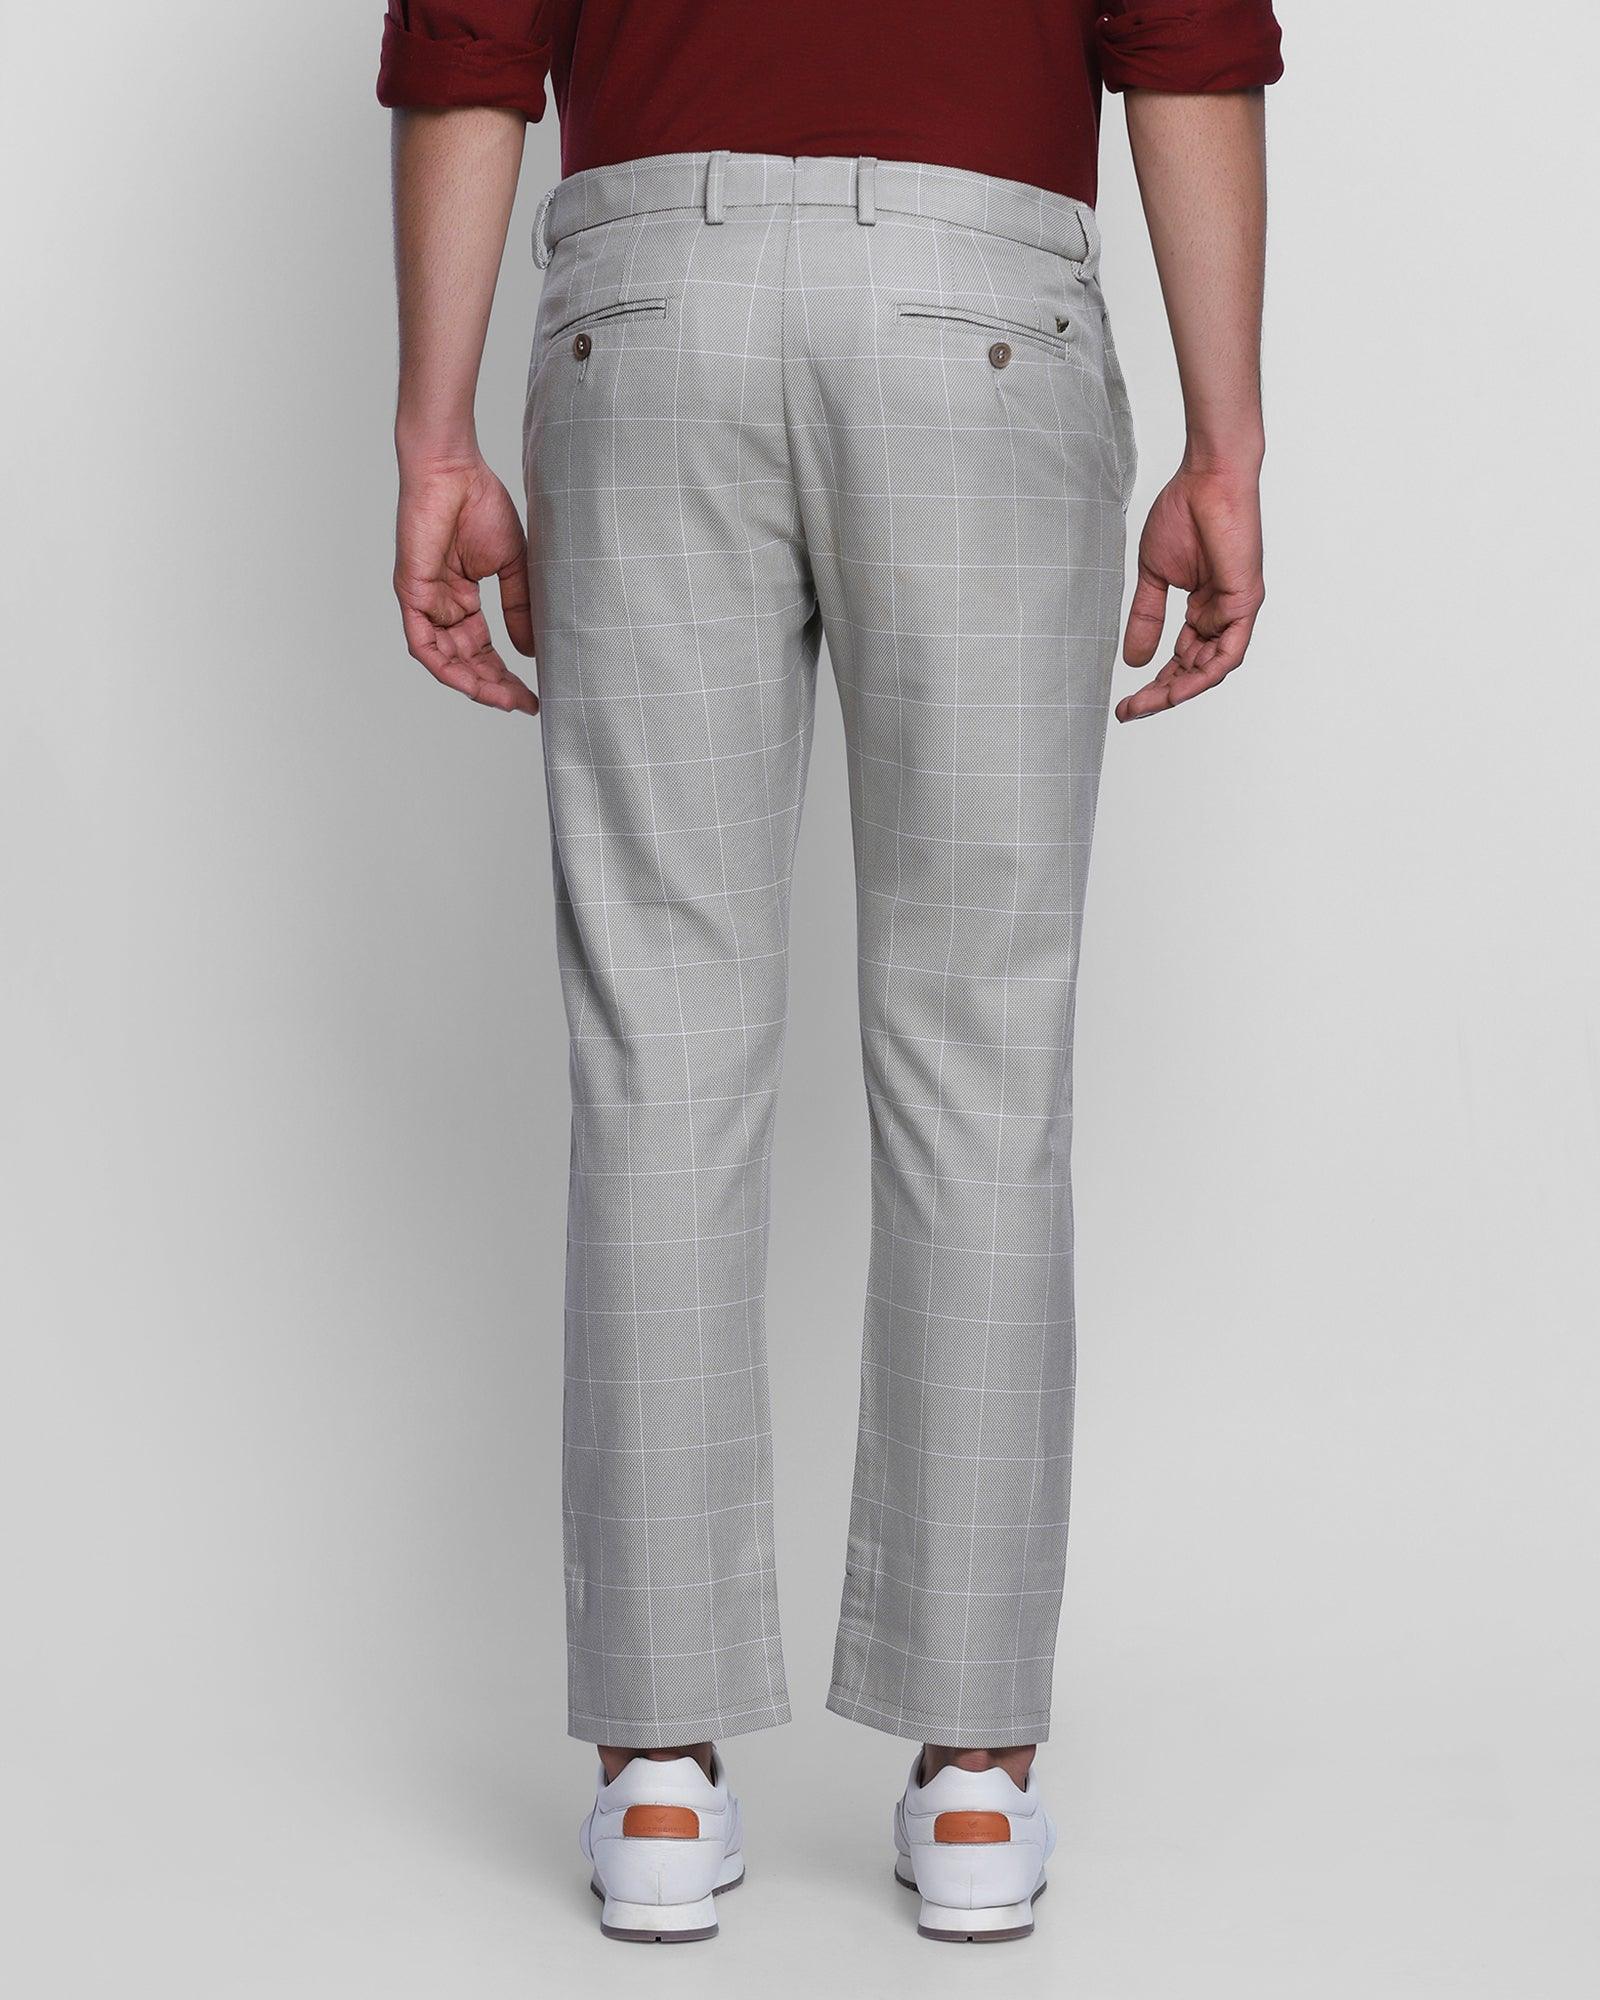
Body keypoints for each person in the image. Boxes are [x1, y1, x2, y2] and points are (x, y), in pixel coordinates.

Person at [378, 0, 1281, 1945]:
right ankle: (973, 1785)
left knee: (661, 1045)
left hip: (649, 310)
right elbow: (1188, 45)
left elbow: (466, 44)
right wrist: (1225, 440)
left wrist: (434, 428)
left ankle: (654, 1777)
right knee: (981, 1046)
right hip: (980, 310)